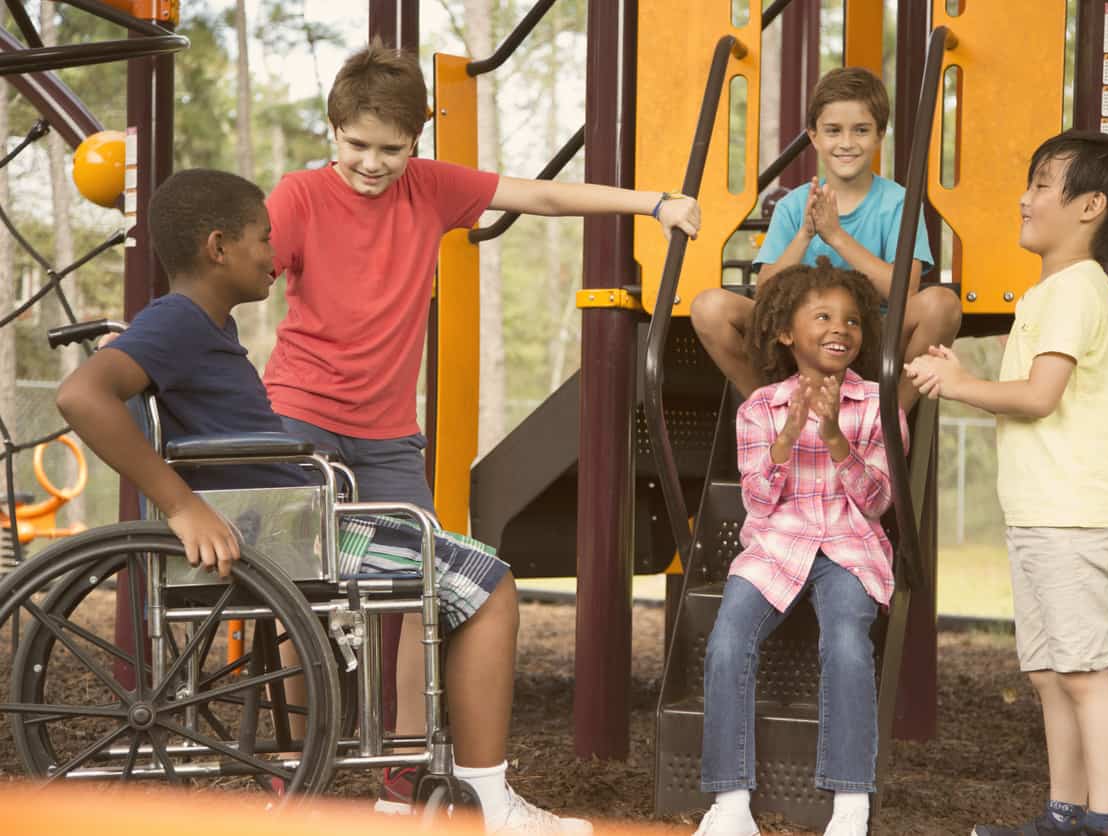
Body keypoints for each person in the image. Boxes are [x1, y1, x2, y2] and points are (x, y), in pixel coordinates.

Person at [55, 169, 591, 836]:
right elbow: (80, 395)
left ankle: (436, 778)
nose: (273, 255)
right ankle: (488, 805)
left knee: (465, 565)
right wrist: (181, 505)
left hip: (297, 519)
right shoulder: (178, 323)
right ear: (219, 247)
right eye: (264, 239)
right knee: (490, 584)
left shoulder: (199, 326)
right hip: (286, 534)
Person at [260, 41, 701, 812]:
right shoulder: (298, 197)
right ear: (333, 132)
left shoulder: (429, 190)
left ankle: (402, 767)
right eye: (357, 145)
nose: (372, 163)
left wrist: (652, 203)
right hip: (302, 418)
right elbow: (239, 270)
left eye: (390, 149)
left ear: (416, 143)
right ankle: (292, 762)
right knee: (305, 589)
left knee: (418, 593)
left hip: (389, 434)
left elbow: (544, 197)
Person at [905, 130, 1108, 836]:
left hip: (1072, 514)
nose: (1025, 196)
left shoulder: (1078, 290)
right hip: (1044, 513)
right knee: (1051, 673)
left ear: (1090, 207)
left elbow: (1041, 394)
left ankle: (1107, 819)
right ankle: (1064, 813)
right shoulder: (1057, 292)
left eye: (1044, 183)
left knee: (1082, 671)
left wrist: (960, 383)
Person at [694, 258, 902, 836]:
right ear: (787, 332)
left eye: (853, 320)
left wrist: (834, 435)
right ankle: (730, 803)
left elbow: (878, 501)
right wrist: (790, 434)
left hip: (849, 546)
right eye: (824, 316)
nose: (842, 328)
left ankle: (850, 803)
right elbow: (759, 501)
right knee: (728, 640)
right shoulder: (759, 409)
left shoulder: (878, 406)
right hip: (776, 546)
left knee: (845, 641)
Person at [689, 66, 961, 409]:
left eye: (860, 130)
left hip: (873, 333)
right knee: (709, 306)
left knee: (942, 304)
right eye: (833, 131)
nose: (846, 143)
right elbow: (765, 294)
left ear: (879, 135)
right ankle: (771, 406)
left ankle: (890, 417)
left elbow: (904, 288)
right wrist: (805, 234)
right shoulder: (794, 206)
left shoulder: (899, 203)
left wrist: (835, 236)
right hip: (803, 335)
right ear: (814, 136)